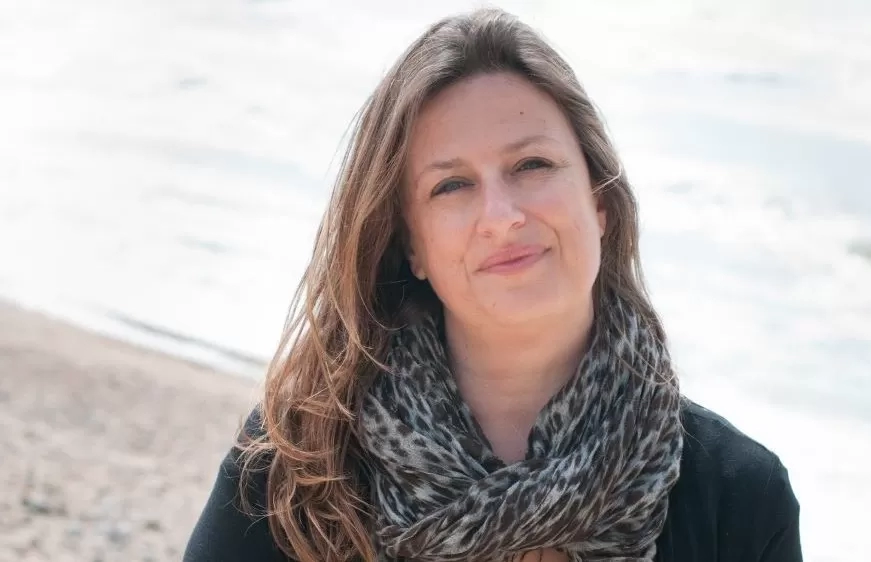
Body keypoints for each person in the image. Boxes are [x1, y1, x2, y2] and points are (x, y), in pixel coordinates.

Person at [184, 8, 801, 562]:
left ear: (601, 202)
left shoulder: (738, 496)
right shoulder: (300, 461)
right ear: (412, 245)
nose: (502, 215)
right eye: (451, 185)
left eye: (532, 165)